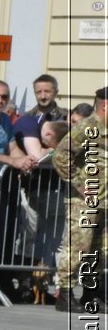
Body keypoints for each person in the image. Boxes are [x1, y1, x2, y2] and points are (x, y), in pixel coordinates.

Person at [53, 86, 108, 312]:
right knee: (78, 248)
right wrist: (79, 183)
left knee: (99, 250)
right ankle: (64, 294)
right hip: (83, 202)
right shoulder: (87, 127)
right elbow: (60, 155)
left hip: (104, 201)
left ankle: (91, 294)